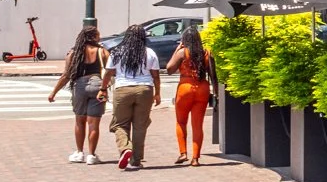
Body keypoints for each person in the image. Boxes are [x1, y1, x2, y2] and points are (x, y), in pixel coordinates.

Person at [47, 24, 109, 164]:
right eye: (98, 35)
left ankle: (79, 152)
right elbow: (111, 70)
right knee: (94, 123)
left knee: (79, 121)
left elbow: (66, 75)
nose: (99, 37)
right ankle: (92, 155)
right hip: (97, 86)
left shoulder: (73, 53)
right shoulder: (102, 51)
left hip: (79, 87)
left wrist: (53, 92)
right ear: (93, 36)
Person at [106, 23, 161, 170]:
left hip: (122, 89)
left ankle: (125, 148)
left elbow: (108, 72)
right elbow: (156, 76)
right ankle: (136, 160)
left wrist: (102, 88)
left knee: (119, 124)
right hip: (145, 90)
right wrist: (157, 93)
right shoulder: (149, 53)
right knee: (140, 125)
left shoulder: (117, 51)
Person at [162, 29, 214, 166]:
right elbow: (213, 75)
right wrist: (217, 95)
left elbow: (169, 69)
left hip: (185, 87)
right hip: (202, 88)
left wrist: (176, 51)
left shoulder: (182, 52)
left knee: (181, 122)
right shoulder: (207, 53)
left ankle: (183, 153)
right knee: (197, 125)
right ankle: (195, 158)